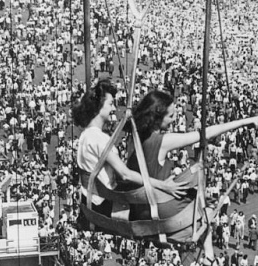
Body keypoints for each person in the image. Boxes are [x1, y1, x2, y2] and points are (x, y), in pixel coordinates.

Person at [127, 89, 258, 252]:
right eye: (170, 116)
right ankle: (209, 255)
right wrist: (245, 121)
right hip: (158, 208)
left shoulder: (134, 137)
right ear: (156, 119)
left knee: (196, 186)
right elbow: (204, 134)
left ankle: (209, 255)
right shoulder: (161, 141)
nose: (174, 119)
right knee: (206, 199)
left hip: (140, 206)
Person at [74, 80, 187, 219]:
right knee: (164, 204)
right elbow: (125, 174)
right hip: (104, 204)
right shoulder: (97, 138)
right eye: (110, 104)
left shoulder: (86, 135)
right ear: (98, 108)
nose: (114, 108)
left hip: (97, 198)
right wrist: (162, 185)